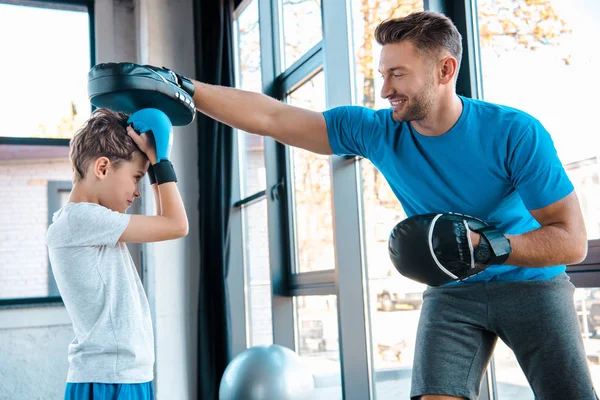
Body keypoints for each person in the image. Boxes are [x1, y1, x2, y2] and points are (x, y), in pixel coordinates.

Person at [181, 10, 596, 400]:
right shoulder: (378, 132)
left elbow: (571, 240)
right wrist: (186, 90)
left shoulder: (514, 133)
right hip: (452, 292)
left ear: (445, 70)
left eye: (397, 74)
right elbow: (272, 118)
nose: (385, 90)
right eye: (383, 74)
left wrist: (488, 246)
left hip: (531, 284)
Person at [46, 108, 188, 400]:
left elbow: (170, 221)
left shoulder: (88, 222)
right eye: (137, 177)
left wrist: (150, 163)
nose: (138, 192)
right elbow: (176, 224)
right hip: (109, 381)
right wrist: (158, 161)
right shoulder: (80, 220)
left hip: (122, 376)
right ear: (102, 168)